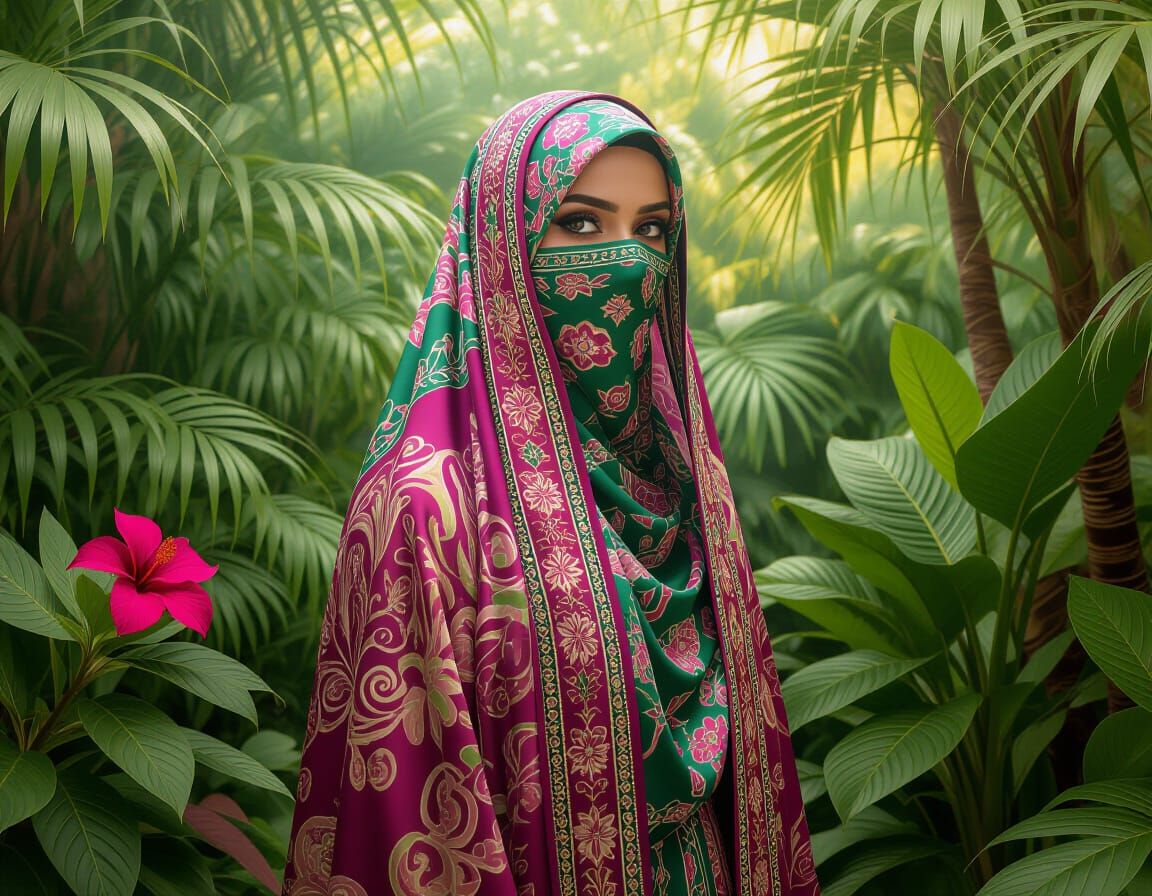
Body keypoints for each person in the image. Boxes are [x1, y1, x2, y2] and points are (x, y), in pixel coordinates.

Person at [283, 90, 818, 896]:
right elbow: (411, 829)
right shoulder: (426, 510)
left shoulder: (681, 486)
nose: (629, 260)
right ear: (501, 246)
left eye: (651, 230)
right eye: (579, 223)